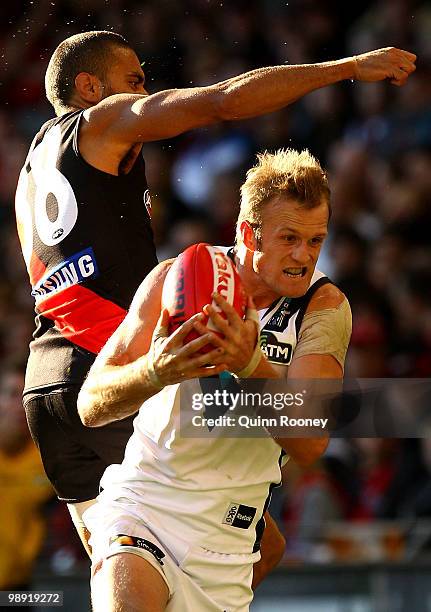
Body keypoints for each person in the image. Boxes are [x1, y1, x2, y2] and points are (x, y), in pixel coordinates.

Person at [15, 29, 415, 554]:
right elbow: (223, 102)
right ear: (90, 87)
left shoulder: (33, 163)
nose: (143, 93)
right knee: (222, 545)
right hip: (119, 378)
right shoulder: (102, 122)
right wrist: (342, 68)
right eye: (133, 81)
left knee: (166, 563)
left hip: (47, 388)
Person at [78, 148, 352, 611]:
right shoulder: (178, 277)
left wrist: (250, 365)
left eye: (316, 240)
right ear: (249, 233)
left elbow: (310, 442)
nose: (303, 256)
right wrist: (154, 371)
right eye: (289, 238)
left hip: (227, 536)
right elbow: (91, 403)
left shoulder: (324, 307)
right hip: (147, 501)